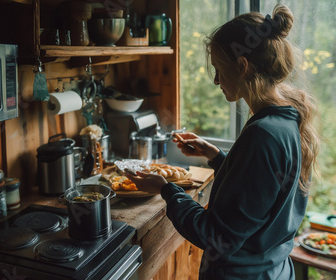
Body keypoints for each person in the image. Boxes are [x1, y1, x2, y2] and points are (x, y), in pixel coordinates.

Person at [126, 4, 320, 279]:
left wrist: (166, 190)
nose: (217, 80)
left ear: (242, 66)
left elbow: (217, 237)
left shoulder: (263, 134)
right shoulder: (286, 118)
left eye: (219, 69)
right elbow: (260, 194)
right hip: (273, 270)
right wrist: (218, 157)